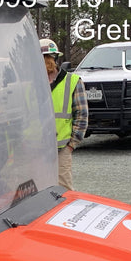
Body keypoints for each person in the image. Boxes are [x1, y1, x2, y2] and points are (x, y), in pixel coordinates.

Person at [41, 38, 87, 191]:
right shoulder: (32, 82)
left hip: (61, 148)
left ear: (53, 59)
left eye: (47, 59)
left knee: (64, 191)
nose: (46, 62)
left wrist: (71, 145)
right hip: (36, 149)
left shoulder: (72, 81)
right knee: (38, 191)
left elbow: (82, 115)